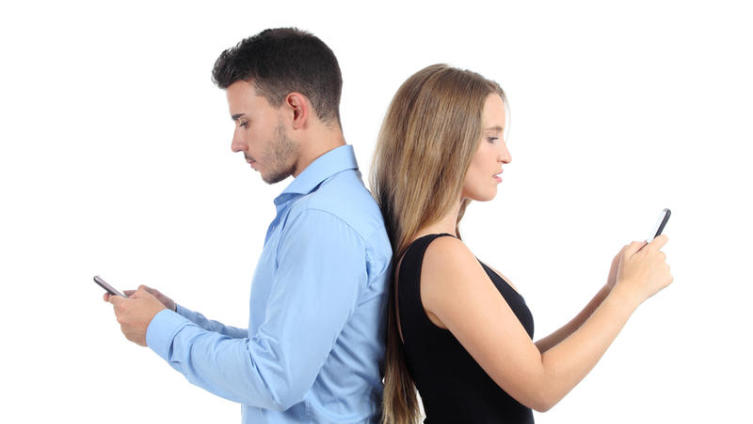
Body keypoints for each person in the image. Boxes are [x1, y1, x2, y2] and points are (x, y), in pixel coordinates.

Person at [105, 28, 392, 424]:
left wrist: (158, 328)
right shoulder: (330, 209)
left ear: (295, 110)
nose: (236, 143)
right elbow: (277, 352)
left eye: (243, 121)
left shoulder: (324, 220)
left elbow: (272, 378)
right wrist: (174, 317)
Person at [371, 64, 673, 424]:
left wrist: (610, 292)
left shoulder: (431, 255)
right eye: (492, 138)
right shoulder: (440, 258)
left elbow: (521, 367)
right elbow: (542, 386)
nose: (506, 155)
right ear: (445, 143)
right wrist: (629, 293)